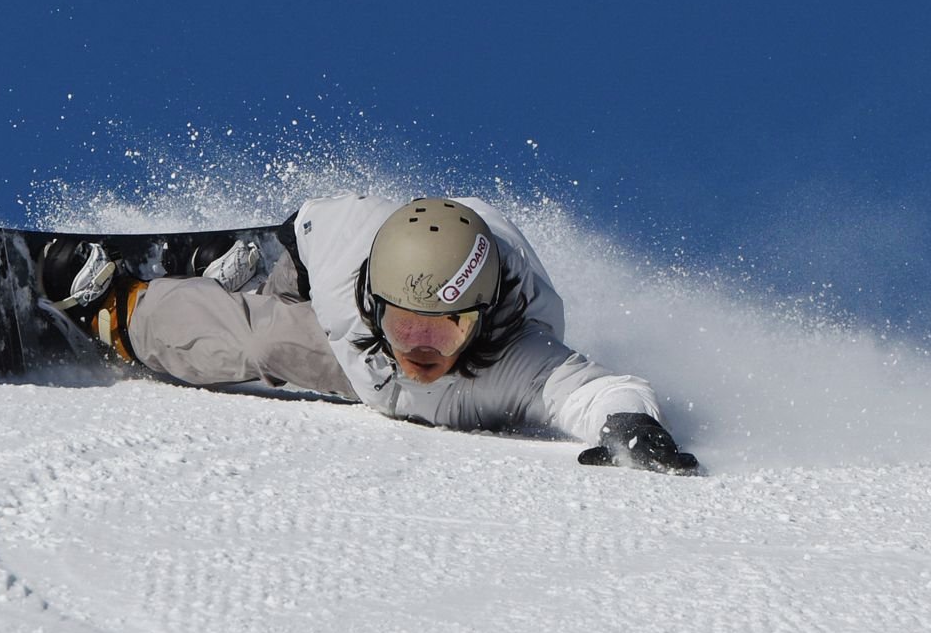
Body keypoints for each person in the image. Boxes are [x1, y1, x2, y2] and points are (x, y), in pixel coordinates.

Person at [44, 195, 699, 473]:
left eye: (441, 334)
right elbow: (303, 234)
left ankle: (210, 292)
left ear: (477, 323)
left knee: (271, 337)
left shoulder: (514, 358)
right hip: (353, 346)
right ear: (375, 303)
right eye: (404, 325)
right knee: (260, 338)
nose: (418, 351)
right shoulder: (343, 254)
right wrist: (276, 266)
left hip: (409, 368)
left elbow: (596, 390)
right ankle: (120, 311)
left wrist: (632, 428)